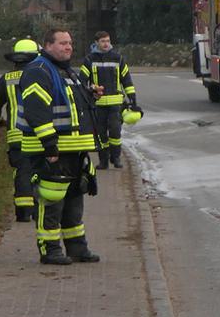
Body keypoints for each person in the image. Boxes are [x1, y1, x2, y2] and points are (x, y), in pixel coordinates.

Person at [18, 27, 101, 265]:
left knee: (74, 200)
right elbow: (37, 111)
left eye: (70, 43)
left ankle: (77, 248)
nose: (68, 47)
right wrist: (50, 147)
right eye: (63, 43)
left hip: (73, 149)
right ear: (47, 45)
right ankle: (50, 250)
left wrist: (90, 95)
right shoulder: (39, 70)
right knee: (51, 201)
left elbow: (71, 105)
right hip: (53, 151)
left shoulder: (66, 72)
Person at [0, 38, 41, 222]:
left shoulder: (6, 80)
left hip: (16, 136)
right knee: (42, 170)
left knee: (22, 170)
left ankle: (23, 212)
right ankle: (39, 207)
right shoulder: (43, 76)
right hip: (42, 134)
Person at [82, 30, 138, 170]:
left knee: (115, 132)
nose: (106, 44)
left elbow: (126, 79)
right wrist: (92, 88)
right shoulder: (89, 59)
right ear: (96, 43)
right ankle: (103, 161)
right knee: (101, 134)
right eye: (103, 41)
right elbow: (82, 81)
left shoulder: (117, 58)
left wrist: (132, 98)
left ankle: (116, 158)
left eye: (107, 41)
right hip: (98, 104)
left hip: (115, 104)